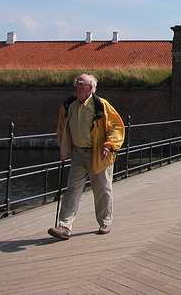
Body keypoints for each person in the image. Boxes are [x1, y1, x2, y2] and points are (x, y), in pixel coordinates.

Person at [48, 74, 125, 240]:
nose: (76, 86)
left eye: (80, 84)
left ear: (90, 88)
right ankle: (64, 225)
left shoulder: (101, 105)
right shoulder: (68, 105)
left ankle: (105, 221)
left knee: (102, 189)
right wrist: (63, 146)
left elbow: (116, 127)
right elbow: (61, 127)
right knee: (72, 189)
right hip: (77, 153)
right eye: (76, 83)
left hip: (98, 152)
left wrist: (110, 145)